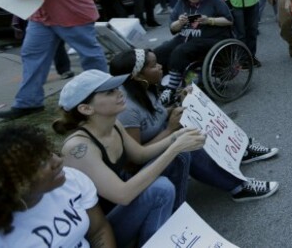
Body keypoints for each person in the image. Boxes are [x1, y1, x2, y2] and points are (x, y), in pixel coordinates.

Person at [53, 70, 206, 246]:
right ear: (86, 108)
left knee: (180, 155)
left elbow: (140, 155)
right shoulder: (79, 148)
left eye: (117, 88)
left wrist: (175, 137)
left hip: (119, 210)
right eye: (110, 92)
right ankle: (159, 240)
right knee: (161, 188)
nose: (120, 93)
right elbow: (123, 195)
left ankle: (174, 225)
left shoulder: (114, 124)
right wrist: (174, 147)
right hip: (103, 230)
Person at [110, 49, 280, 202]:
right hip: (142, 167)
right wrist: (171, 130)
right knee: (188, 143)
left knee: (199, 114)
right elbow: (135, 158)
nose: (161, 67)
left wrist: (180, 104)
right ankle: (238, 187)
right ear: (139, 76)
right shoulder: (127, 110)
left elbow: (156, 117)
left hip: (162, 136)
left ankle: (238, 150)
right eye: (154, 65)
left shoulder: (145, 88)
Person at [0, 124, 116, 247]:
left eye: (50, 153)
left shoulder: (71, 179)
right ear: (16, 182)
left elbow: (98, 231)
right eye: (42, 162)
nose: (58, 161)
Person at [153, 0, 233, 106]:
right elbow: (172, 28)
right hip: (186, 37)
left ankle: (171, 89)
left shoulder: (213, 0)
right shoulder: (182, 3)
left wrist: (209, 20)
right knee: (160, 52)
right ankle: (161, 84)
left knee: (180, 52)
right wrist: (180, 22)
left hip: (211, 38)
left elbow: (229, 20)